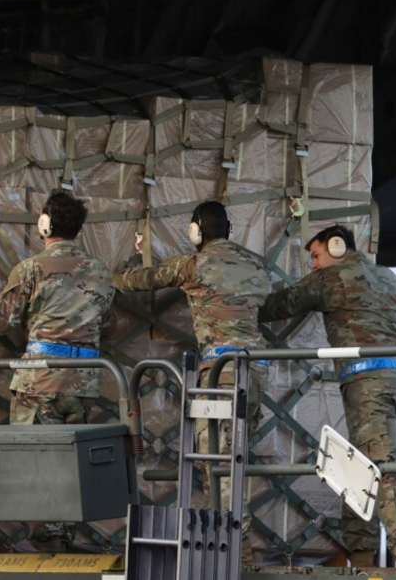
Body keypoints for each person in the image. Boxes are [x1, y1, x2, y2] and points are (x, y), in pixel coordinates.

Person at [112, 200, 269, 563]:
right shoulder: (256, 265)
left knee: (220, 463)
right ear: (229, 231)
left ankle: (239, 554)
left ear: (196, 231)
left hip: (219, 376)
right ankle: (229, 547)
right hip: (254, 373)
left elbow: (137, 281)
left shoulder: (193, 265)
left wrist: (124, 267)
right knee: (231, 459)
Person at [259, 224, 396, 569]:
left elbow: (278, 305)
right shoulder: (387, 277)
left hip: (368, 381)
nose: (313, 264)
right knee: (361, 466)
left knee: (383, 467)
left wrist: (240, 294)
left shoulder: (331, 279)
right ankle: (361, 555)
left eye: (316, 255)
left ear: (336, 247)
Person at [0, 189, 114, 551]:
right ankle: (63, 539)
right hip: (83, 385)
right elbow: (106, 322)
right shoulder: (100, 272)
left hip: (40, 384)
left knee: (35, 466)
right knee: (70, 466)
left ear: (45, 225)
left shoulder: (32, 269)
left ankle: (49, 548)